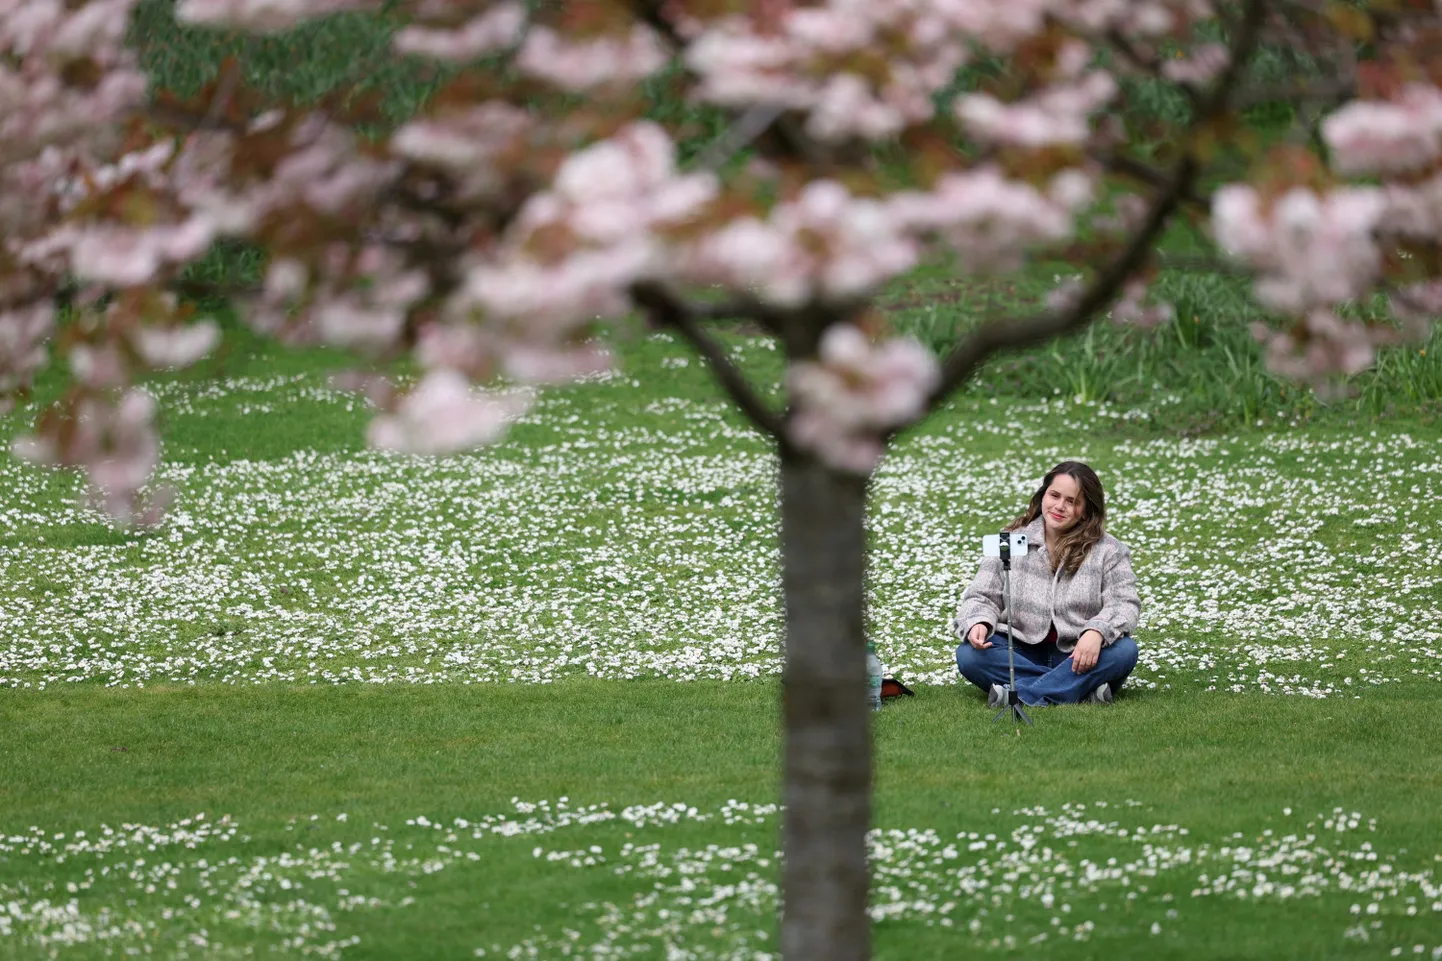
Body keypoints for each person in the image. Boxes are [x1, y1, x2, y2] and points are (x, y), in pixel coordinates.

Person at [953, 461, 1140, 707]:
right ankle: (1079, 689)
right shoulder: (1009, 540)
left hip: (1079, 653)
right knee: (969, 655)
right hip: (1018, 649)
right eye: (1054, 495)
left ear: (1085, 510)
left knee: (1125, 651)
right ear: (1043, 496)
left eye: (1072, 501)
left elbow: (1125, 602)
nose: (1059, 506)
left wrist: (1096, 632)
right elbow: (980, 595)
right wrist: (979, 621)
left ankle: (1021, 694)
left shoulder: (1109, 550)